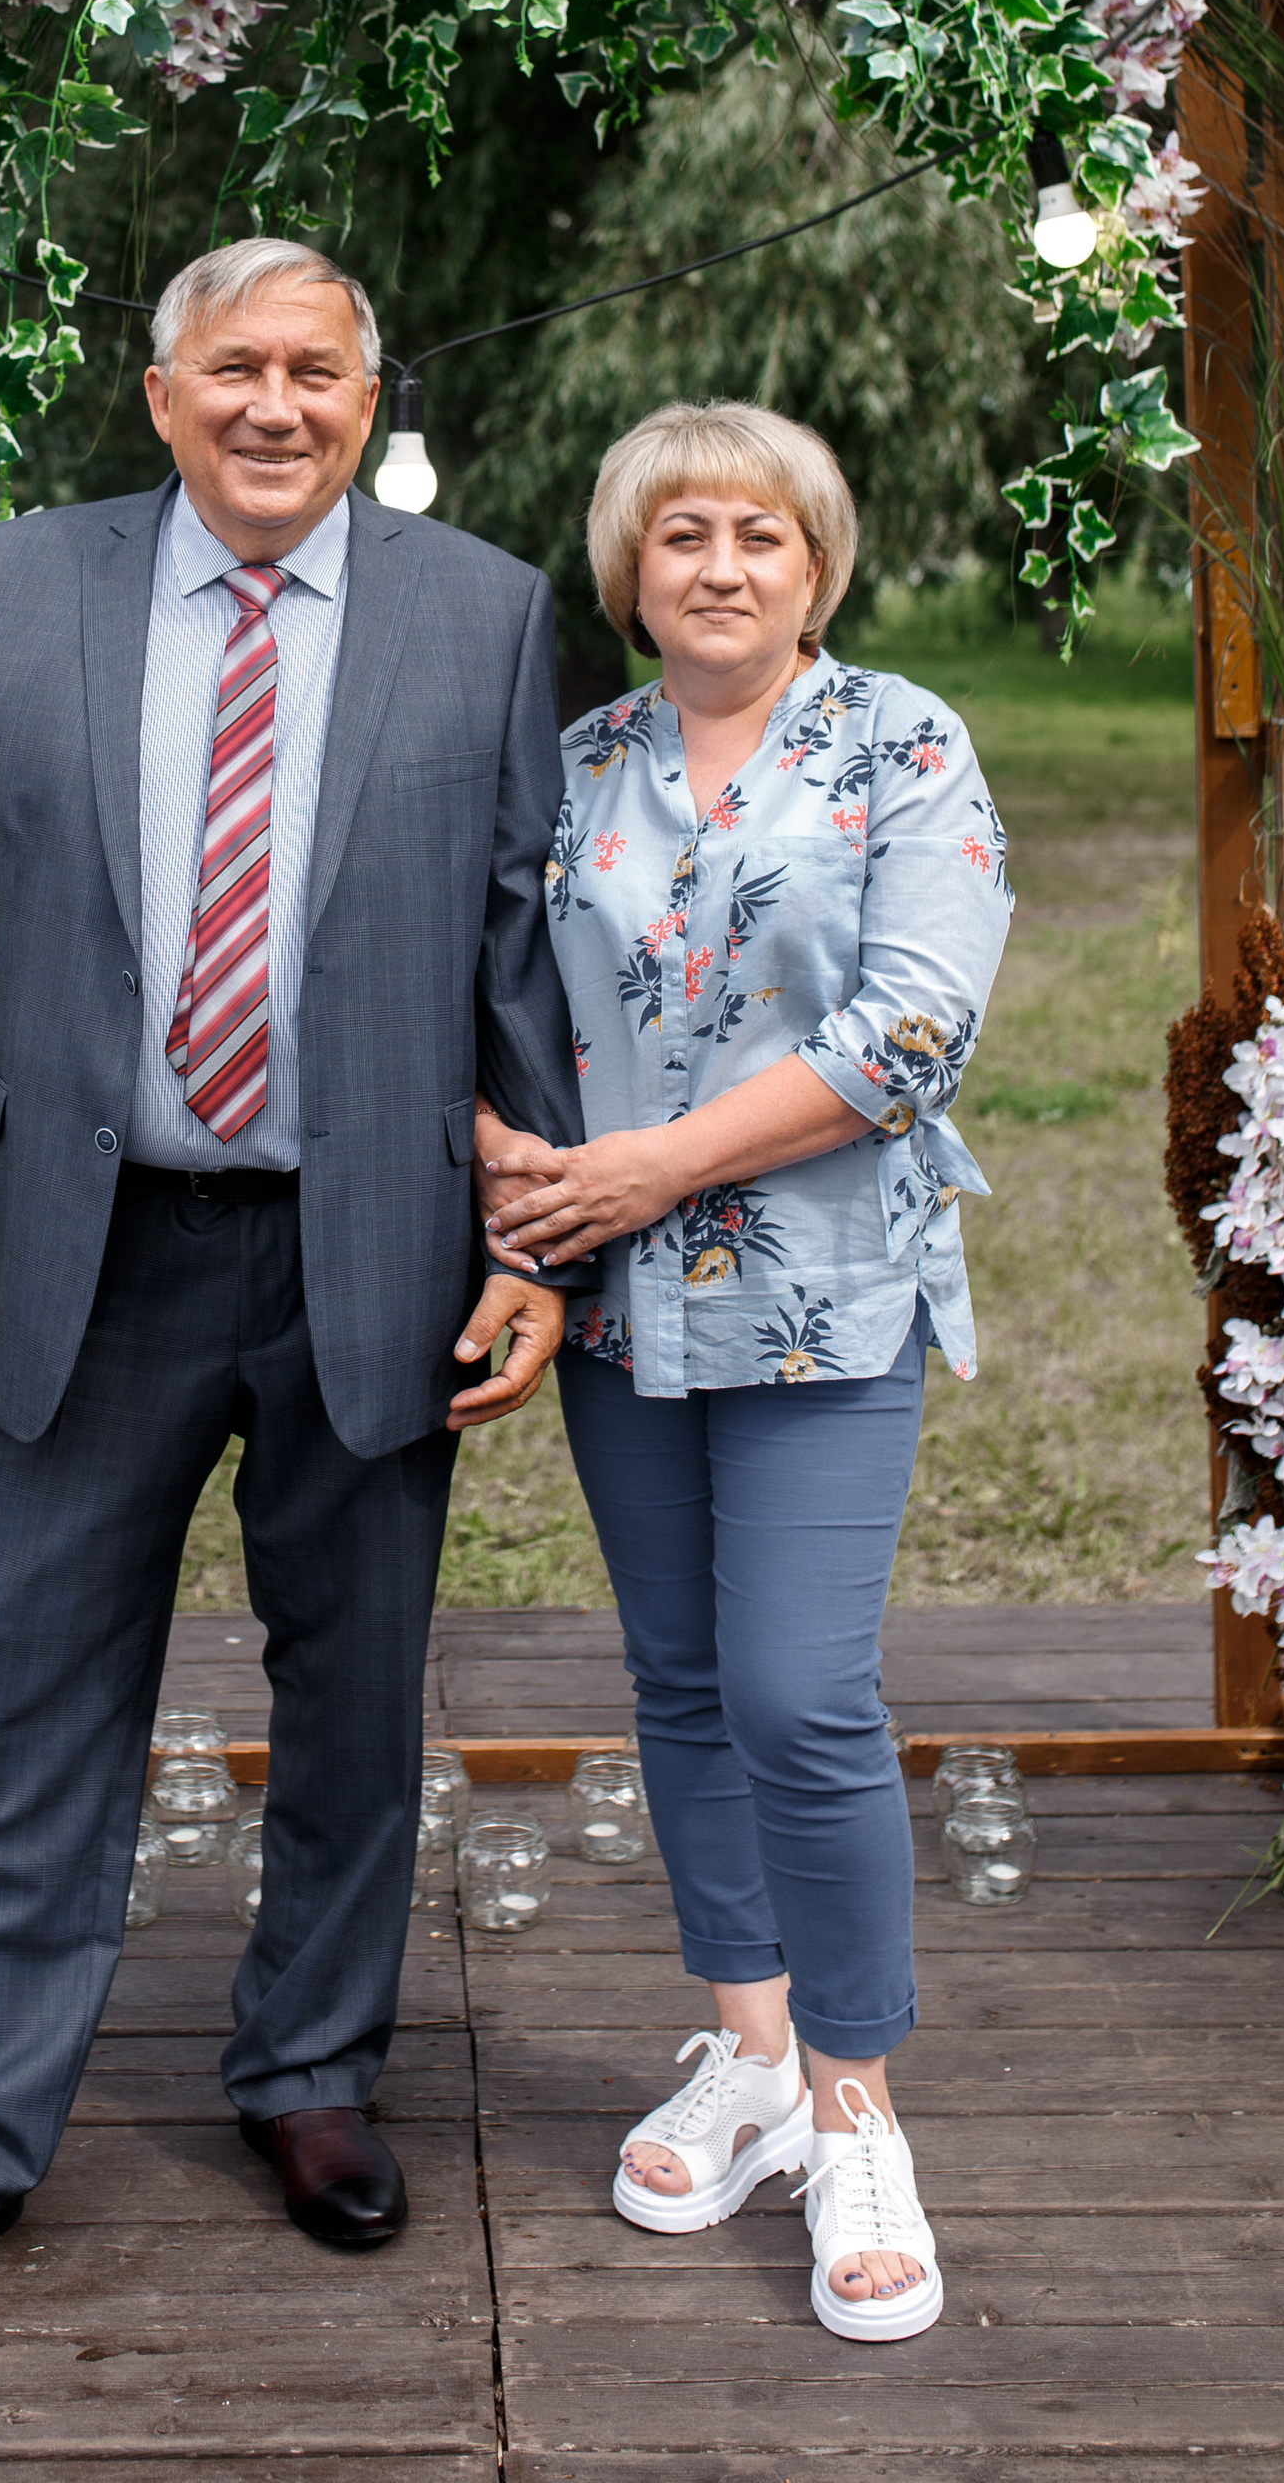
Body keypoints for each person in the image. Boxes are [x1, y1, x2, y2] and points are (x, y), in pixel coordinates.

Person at [0, 234, 589, 2340]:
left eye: (317, 371)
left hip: (371, 1253)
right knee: (16, 1704)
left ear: (370, 397)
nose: (277, 405)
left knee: (352, 1697)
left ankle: (312, 2076)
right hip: (84, 1252)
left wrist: (530, 1255)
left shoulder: (482, 612)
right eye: (234, 369)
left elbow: (513, 955)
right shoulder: (16, 589)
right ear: (159, 395)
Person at [478, 401, 1011, 2348]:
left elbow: (913, 1030)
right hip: (617, 1312)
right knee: (683, 1691)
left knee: (798, 1693)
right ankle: (751, 2059)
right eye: (678, 532)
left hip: (822, 1294)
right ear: (626, 568)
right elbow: (502, 1005)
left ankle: (860, 2107)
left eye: (756, 535)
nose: (716, 564)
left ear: (816, 563)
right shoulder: (569, 767)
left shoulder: (899, 744)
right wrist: (515, 1177)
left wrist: (653, 1164)